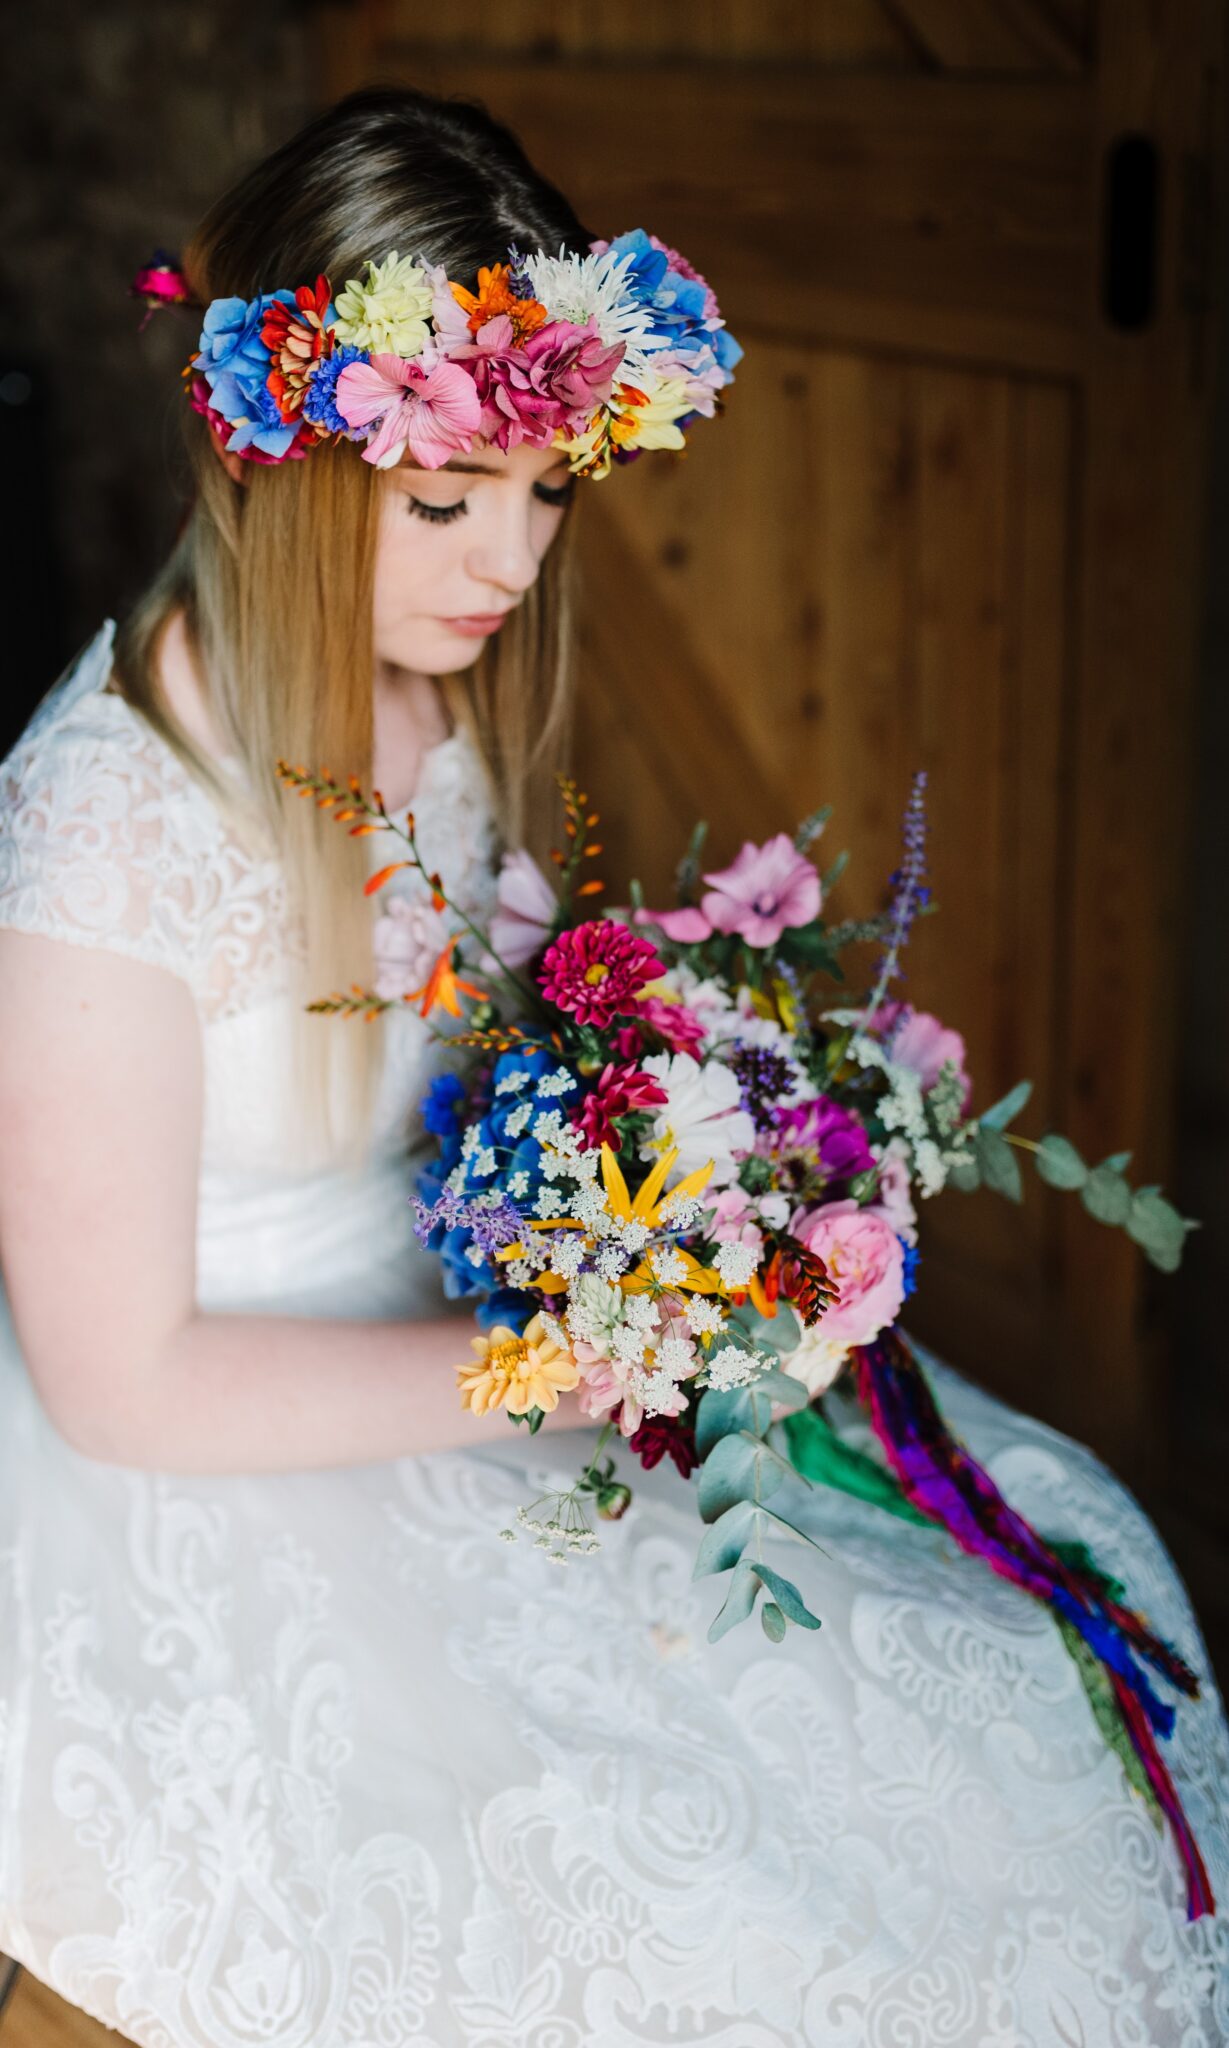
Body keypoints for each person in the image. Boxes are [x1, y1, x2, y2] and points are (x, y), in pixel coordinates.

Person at [0, 85, 1225, 2048]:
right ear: (273, 456)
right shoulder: (98, 838)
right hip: (227, 1450)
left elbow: (477, 1047)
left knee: (1008, 1670)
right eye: (447, 501)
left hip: (463, 1321)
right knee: (745, 1907)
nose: (508, 560)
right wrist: (564, 1367)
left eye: (551, 489)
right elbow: (125, 1386)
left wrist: (697, 1147)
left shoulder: (427, 692)